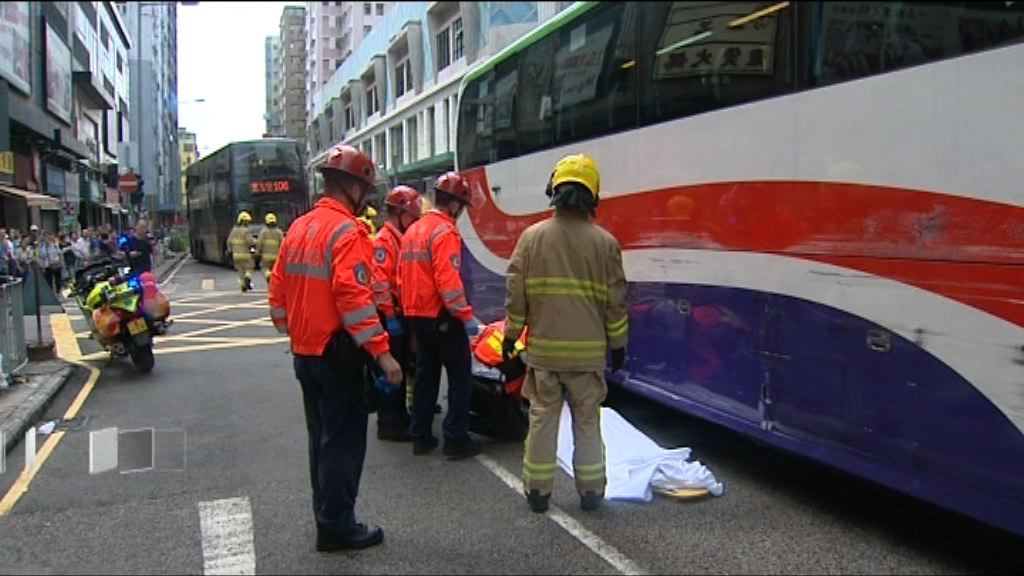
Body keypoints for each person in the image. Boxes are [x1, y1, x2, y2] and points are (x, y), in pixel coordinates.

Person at [268, 144, 403, 553]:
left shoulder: (299, 228)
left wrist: (293, 330)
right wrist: (383, 353)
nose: (367, 196)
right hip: (337, 354)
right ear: (353, 186)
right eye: (365, 187)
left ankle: (326, 514)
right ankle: (337, 526)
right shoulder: (347, 231)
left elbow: (278, 290)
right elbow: (353, 296)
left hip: (306, 353)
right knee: (342, 443)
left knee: (320, 439)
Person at [502, 153, 628, 513]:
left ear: (553, 190)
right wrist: (618, 345)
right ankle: (591, 492)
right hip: (587, 356)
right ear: (593, 195)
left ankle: (538, 492)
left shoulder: (531, 238)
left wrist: (512, 333)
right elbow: (615, 301)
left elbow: (516, 292)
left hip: (544, 353)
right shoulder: (605, 244)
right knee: (587, 420)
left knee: (542, 418)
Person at [398, 171, 483, 459]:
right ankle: (455, 438)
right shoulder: (445, 231)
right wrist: (465, 315)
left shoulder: (414, 230)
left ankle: (420, 435)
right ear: (456, 204)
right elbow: (449, 281)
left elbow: (403, 277)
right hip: (442, 315)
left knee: (426, 375)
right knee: (460, 377)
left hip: (417, 316)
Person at [370, 185, 423, 442]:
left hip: (397, 314)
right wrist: (390, 316)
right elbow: (379, 282)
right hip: (388, 316)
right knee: (391, 371)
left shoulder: (397, 239)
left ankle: (399, 416)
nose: (414, 222)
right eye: (412, 216)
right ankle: (389, 423)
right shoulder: (384, 241)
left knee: (400, 369)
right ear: (399, 213)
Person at [227, 212, 255, 292]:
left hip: (236, 255)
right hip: (245, 254)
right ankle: (247, 278)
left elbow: (229, 242)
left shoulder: (234, 230)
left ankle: (243, 286)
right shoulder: (246, 231)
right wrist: (256, 242)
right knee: (249, 268)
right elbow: (250, 242)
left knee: (240, 271)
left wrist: (230, 250)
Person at [256, 213, 284, 287]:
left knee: (264, 268)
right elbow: (283, 244)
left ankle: (268, 275)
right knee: (276, 271)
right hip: (276, 257)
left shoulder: (263, 232)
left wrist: (257, 253)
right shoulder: (279, 232)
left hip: (266, 257)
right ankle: (275, 283)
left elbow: (259, 243)